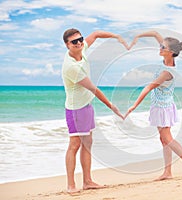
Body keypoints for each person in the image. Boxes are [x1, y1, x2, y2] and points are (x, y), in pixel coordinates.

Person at [125, 31, 182, 180]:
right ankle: (168, 172)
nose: (159, 48)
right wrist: (138, 35)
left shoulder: (167, 72)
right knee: (163, 139)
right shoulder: (167, 59)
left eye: (162, 47)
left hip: (164, 108)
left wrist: (134, 105)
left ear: (170, 52)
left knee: (167, 138)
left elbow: (148, 87)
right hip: (161, 106)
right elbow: (155, 33)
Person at [62, 28, 127, 194]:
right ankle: (71, 185)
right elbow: (94, 89)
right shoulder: (71, 67)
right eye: (74, 42)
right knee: (74, 145)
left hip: (86, 106)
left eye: (80, 39)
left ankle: (87, 181)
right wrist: (112, 106)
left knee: (88, 143)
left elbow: (97, 34)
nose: (79, 43)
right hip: (76, 109)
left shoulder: (82, 49)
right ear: (67, 45)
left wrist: (116, 35)